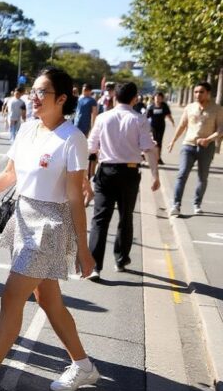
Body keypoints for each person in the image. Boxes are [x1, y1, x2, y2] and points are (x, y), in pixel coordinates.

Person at [0, 68, 99, 391]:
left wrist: (84, 249)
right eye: (32, 91)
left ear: (61, 98)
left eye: (42, 92)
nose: (33, 97)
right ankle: (84, 366)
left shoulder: (73, 138)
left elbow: (75, 196)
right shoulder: (29, 129)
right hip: (23, 215)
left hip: (50, 225)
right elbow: (10, 174)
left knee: (12, 295)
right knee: (47, 299)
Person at [87, 82, 159, 279]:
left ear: (114, 97)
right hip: (129, 173)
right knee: (125, 217)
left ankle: (94, 266)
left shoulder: (102, 117)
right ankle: (120, 259)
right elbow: (148, 148)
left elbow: (91, 147)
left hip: (106, 171)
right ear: (135, 98)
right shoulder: (139, 119)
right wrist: (155, 175)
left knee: (100, 220)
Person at [168, 82, 223, 216]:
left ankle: (197, 204)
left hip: (206, 147)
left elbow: (220, 129)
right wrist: (173, 141)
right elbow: (182, 125)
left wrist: (208, 139)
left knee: (202, 177)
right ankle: (176, 204)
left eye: (201, 92)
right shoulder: (189, 107)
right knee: (182, 174)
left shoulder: (217, 109)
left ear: (208, 93)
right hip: (188, 145)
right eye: (196, 92)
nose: (198, 94)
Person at [145, 92, 175, 165]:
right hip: (153, 126)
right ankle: (154, 158)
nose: (158, 99)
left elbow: (168, 115)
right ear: (154, 98)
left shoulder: (164, 106)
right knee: (155, 142)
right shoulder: (151, 107)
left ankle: (158, 158)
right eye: (156, 97)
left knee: (159, 142)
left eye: (159, 98)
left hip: (161, 126)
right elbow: (146, 117)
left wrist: (172, 122)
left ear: (162, 99)